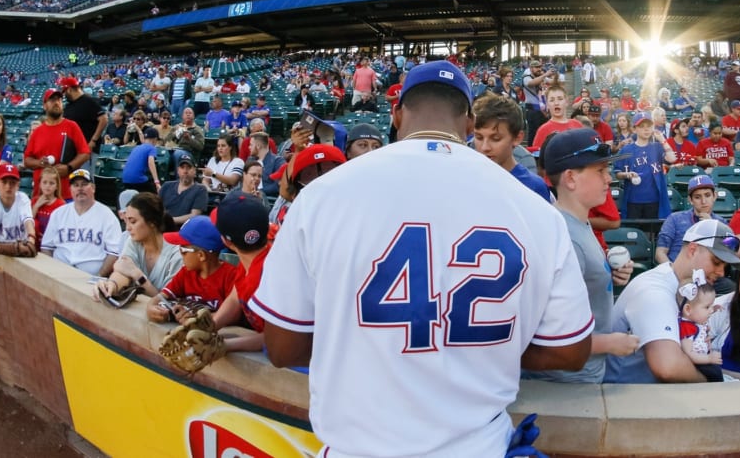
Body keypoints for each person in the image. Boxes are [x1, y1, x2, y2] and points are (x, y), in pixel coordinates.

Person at [252, 60, 593, 457]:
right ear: (469, 123)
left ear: (396, 114)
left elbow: (283, 348)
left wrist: (369, 341)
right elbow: (571, 351)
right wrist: (477, 347)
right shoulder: (534, 208)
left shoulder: (321, 196)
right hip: (477, 447)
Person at [530, 128, 638, 383]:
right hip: (563, 386)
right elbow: (543, 337)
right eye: (600, 171)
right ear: (570, 179)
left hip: (578, 377)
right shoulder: (565, 237)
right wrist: (609, 343)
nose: (608, 178)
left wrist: (603, 274)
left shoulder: (577, 222)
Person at [604, 220, 740, 383]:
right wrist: (711, 382)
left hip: (649, 391)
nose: (720, 272)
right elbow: (668, 368)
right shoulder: (654, 290)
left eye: (725, 266)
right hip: (623, 394)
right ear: (693, 250)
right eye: (716, 262)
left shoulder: (689, 290)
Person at [146, 215, 242, 323]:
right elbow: (162, 296)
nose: (180, 253)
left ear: (201, 255)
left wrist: (197, 319)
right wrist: (151, 306)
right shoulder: (186, 272)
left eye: (183, 250)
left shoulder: (231, 276)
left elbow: (233, 315)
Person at [210, 193, 272, 353]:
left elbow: (280, 338)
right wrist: (209, 327)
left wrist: (225, 346)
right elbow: (235, 297)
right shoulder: (255, 260)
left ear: (226, 241)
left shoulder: (267, 278)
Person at [40, 169, 123, 276]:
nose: (80, 188)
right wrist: (51, 273)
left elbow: (114, 253)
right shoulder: (58, 213)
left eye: (84, 184)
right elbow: (47, 248)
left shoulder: (107, 215)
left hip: (90, 277)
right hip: (59, 274)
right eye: (76, 185)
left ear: (93, 188)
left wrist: (98, 277)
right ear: (70, 189)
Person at [470, 94, 549, 202]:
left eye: (496, 138)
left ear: (517, 138)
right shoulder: (465, 179)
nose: (485, 147)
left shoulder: (533, 187)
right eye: (479, 137)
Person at [23, 88, 91, 201]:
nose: (56, 102)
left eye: (59, 99)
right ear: (45, 105)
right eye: (52, 100)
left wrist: (68, 167)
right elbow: (27, 160)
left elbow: (85, 153)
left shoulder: (71, 126)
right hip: (41, 195)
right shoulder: (38, 131)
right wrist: (40, 163)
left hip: (65, 194)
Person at [656, 175, 728, 264]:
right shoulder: (674, 219)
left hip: (708, 274)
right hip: (677, 271)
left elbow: (727, 254)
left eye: (707, 195)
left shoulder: (722, 223)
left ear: (714, 196)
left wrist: (711, 225)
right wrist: (673, 273)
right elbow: (660, 253)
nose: (703, 201)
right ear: (690, 200)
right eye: (697, 197)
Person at [614, 112, 674, 221]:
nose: (646, 130)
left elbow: (672, 159)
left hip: (654, 198)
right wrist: (626, 174)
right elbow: (617, 173)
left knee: (652, 233)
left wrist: (662, 140)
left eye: (649, 126)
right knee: (635, 231)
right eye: (642, 127)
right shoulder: (626, 150)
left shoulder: (657, 147)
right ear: (635, 129)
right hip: (633, 199)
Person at [677, 277, 722, 381]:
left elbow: (700, 313)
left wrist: (714, 309)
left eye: (712, 305)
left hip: (703, 361)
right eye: (707, 307)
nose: (710, 311)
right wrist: (709, 358)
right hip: (697, 365)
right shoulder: (687, 328)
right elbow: (689, 353)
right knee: (716, 374)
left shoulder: (695, 321)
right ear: (688, 309)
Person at [160, 150, 208, 225]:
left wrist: (169, 220)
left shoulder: (200, 190)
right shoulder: (166, 186)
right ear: (178, 170)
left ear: (195, 171)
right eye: (182, 167)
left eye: (188, 167)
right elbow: (156, 209)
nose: (185, 171)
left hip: (184, 230)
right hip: (162, 228)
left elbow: (194, 215)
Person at [60, 76, 107, 150]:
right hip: (73, 147)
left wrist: (93, 140)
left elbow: (104, 119)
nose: (64, 95)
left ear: (69, 90)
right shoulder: (69, 105)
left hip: (87, 146)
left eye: (65, 92)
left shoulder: (89, 101)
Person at [121, 126, 163, 194]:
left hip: (125, 180)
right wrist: (156, 181)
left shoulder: (136, 148)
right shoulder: (151, 148)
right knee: (154, 196)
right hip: (138, 181)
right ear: (155, 139)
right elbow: (151, 162)